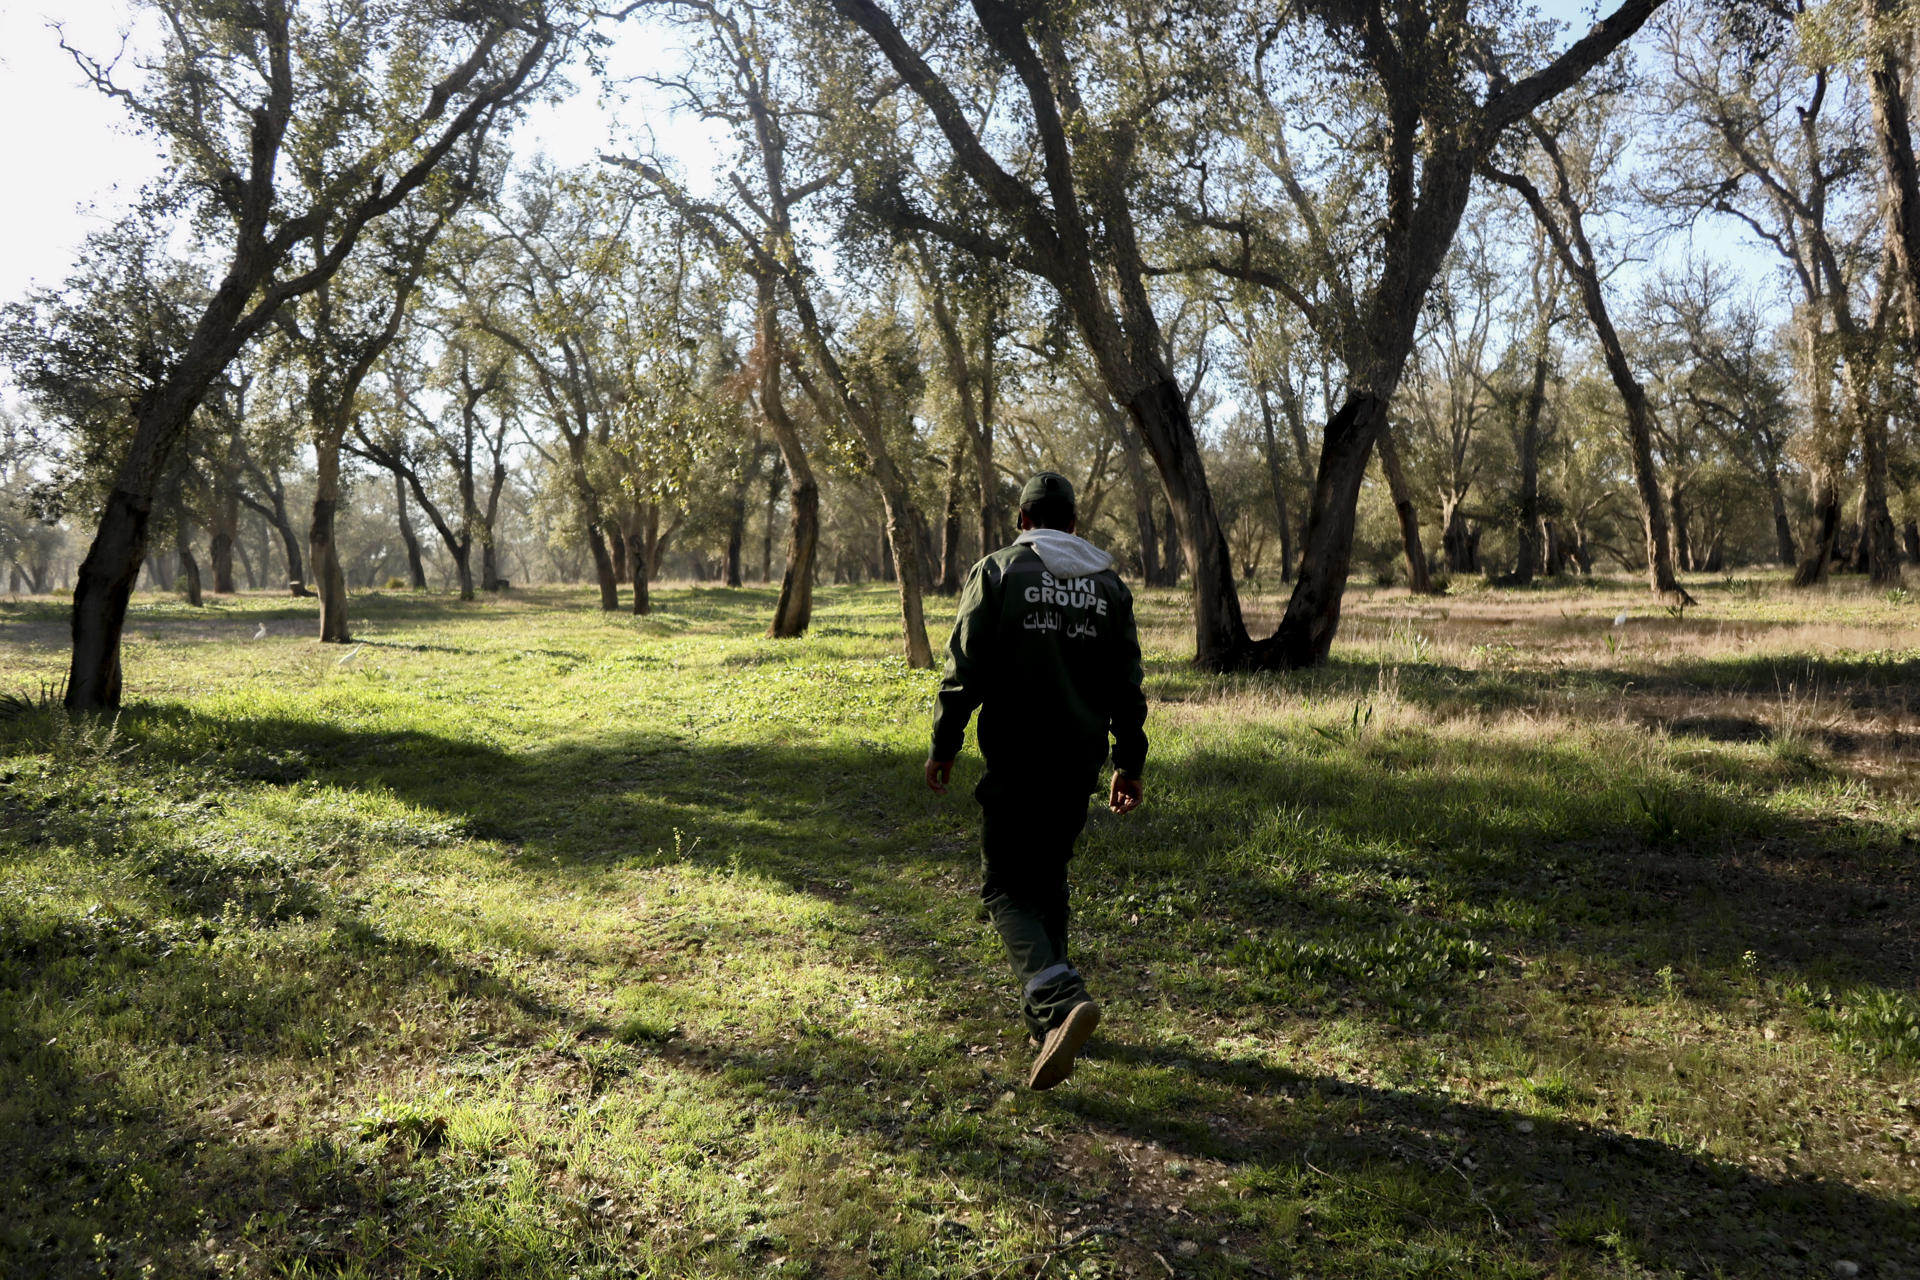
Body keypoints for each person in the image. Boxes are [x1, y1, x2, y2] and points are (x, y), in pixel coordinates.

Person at [925, 471, 1148, 1090]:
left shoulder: (998, 572)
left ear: (1023, 521)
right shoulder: (1108, 586)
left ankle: (1058, 999)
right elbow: (1126, 688)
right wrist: (1129, 762)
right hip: (1076, 763)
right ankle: (1047, 1021)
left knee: (1003, 890)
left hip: (1016, 760)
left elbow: (962, 671)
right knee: (1047, 883)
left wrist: (944, 745)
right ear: (1072, 523)